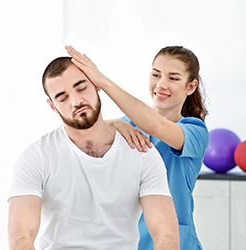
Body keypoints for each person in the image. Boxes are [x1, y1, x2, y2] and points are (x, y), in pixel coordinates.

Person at [7, 56, 180, 250]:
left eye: (81, 88)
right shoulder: (36, 157)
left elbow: (165, 234)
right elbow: (21, 238)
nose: (76, 101)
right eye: (62, 97)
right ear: (52, 106)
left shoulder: (141, 153)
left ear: (97, 86)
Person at [65, 45, 209, 250]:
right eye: (156, 74)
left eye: (173, 78)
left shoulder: (195, 131)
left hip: (176, 242)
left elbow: (156, 126)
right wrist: (115, 124)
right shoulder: (126, 125)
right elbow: (75, 138)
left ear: (191, 86)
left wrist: (103, 81)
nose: (161, 84)